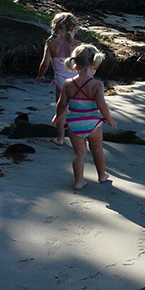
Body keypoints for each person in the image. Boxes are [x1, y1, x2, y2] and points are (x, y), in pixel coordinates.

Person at [53, 44, 116, 190]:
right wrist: (109, 119)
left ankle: (78, 182)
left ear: (75, 66)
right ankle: (102, 175)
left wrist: (57, 116)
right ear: (94, 65)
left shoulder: (68, 84)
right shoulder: (97, 84)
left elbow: (61, 103)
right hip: (93, 124)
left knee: (79, 154)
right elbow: (101, 105)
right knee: (98, 150)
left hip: (74, 125)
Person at [36, 12, 79, 145]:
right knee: (77, 108)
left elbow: (45, 63)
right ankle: (80, 135)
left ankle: (60, 138)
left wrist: (40, 75)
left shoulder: (51, 43)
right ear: (72, 28)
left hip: (61, 83)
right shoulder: (78, 44)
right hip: (77, 81)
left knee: (61, 110)